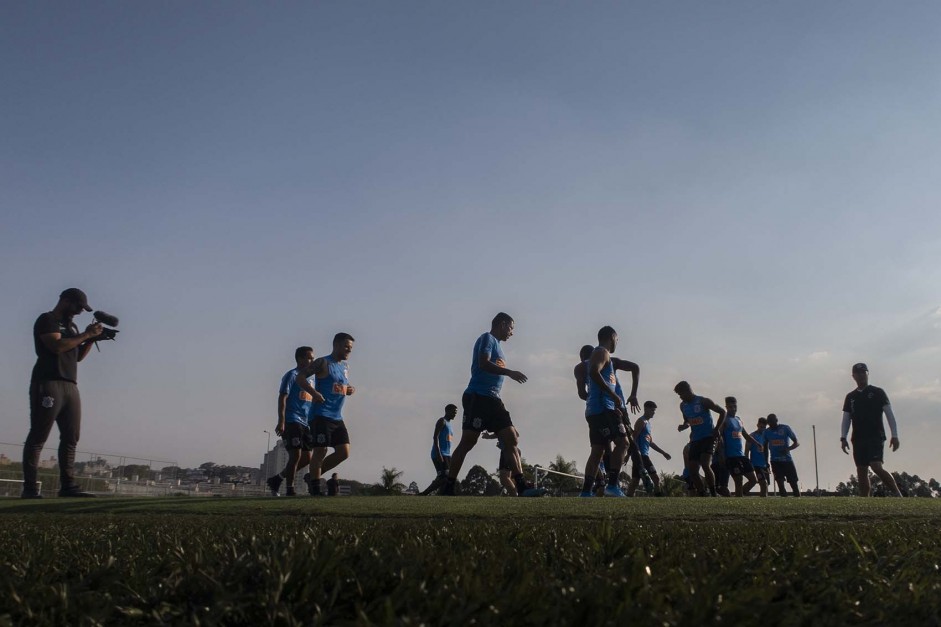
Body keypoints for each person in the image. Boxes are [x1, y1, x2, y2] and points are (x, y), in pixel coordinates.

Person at [22, 288, 103, 498]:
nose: (78, 312)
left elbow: (76, 357)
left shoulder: (72, 326)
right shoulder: (47, 320)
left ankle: (68, 486)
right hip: (48, 382)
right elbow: (56, 346)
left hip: (70, 384)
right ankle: (30, 489)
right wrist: (86, 334)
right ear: (66, 301)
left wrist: (92, 340)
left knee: (71, 437)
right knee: (38, 435)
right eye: (77, 307)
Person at [441, 313, 532, 496]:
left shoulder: (499, 347)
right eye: (511, 328)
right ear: (502, 324)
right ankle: (449, 485)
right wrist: (509, 372)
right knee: (468, 442)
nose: (512, 333)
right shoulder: (487, 338)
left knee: (511, 438)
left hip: (493, 399)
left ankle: (521, 485)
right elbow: (483, 364)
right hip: (478, 397)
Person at [580, 326, 640, 498]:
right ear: (612, 337)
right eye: (617, 339)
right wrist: (612, 394)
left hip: (593, 411)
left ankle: (585, 491)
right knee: (624, 443)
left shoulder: (603, 355)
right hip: (604, 408)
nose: (617, 343)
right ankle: (613, 485)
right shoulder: (602, 352)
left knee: (597, 450)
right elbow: (593, 372)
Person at [294, 333, 357, 496]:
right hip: (320, 414)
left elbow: (340, 385)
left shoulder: (344, 367)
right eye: (346, 347)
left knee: (344, 453)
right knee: (320, 451)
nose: (348, 351)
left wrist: (350, 389)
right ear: (336, 345)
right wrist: (313, 393)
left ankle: (311, 476)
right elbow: (300, 378)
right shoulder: (323, 362)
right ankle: (315, 488)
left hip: (337, 417)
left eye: (350, 348)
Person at [841, 363, 902, 497]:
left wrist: (895, 435)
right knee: (861, 470)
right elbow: (846, 418)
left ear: (868, 374)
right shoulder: (850, 397)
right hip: (858, 438)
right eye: (858, 373)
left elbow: (889, 414)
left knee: (876, 466)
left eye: (863, 372)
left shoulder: (878, 392)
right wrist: (843, 438)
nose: (861, 375)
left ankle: (898, 494)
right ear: (853, 376)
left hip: (875, 436)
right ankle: (865, 501)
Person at [266, 346, 321, 496]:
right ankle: (290, 489)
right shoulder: (291, 375)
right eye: (309, 358)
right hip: (292, 420)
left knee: (307, 458)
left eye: (313, 358)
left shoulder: (311, 380)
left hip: (306, 422)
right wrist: (281, 420)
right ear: (300, 359)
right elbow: (282, 397)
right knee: (295, 455)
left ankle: (277, 479)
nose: (311, 361)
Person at [674, 381, 726, 497]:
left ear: (687, 391)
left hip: (708, 437)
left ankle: (713, 493)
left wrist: (717, 428)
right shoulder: (683, 406)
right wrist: (684, 426)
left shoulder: (703, 401)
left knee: (705, 464)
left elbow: (722, 412)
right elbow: (687, 421)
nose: (680, 397)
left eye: (681, 394)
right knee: (692, 470)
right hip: (695, 440)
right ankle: (703, 493)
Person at [720, 397, 763, 497]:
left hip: (741, 455)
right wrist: (721, 454)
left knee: (753, 480)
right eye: (730, 407)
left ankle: (737, 497)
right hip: (731, 456)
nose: (733, 409)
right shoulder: (724, 420)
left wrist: (757, 443)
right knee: (738, 480)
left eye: (734, 406)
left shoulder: (738, 419)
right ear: (726, 407)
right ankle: (739, 498)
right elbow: (719, 437)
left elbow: (746, 435)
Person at [626, 401, 671, 496]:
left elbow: (650, 442)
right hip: (640, 455)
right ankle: (658, 497)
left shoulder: (648, 424)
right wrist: (628, 454)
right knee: (655, 478)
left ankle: (628, 498)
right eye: (652, 410)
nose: (653, 412)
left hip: (644, 455)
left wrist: (663, 453)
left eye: (654, 410)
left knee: (635, 480)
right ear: (646, 409)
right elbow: (633, 438)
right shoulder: (641, 421)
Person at [420, 404, 458, 495]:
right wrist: (438, 453)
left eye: (456, 412)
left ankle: (441, 493)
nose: (455, 414)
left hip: (447, 455)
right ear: (447, 411)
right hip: (440, 453)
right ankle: (425, 493)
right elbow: (435, 437)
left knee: (447, 477)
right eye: (454, 412)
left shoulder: (450, 424)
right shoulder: (442, 421)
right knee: (444, 477)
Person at [765, 414, 800, 496]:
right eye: (769, 422)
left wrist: (788, 449)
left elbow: (796, 442)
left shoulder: (785, 428)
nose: (771, 424)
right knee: (780, 483)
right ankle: (784, 501)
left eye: (772, 422)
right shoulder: (767, 432)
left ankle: (798, 499)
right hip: (775, 461)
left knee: (793, 483)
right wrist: (766, 461)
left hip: (787, 460)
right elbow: (765, 447)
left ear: (776, 420)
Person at [743, 417, 770, 497]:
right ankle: (740, 493)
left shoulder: (766, 437)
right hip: (755, 464)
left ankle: (742, 492)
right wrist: (747, 463)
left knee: (766, 484)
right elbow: (746, 451)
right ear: (757, 425)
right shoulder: (752, 436)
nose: (762, 429)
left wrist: (767, 463)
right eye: (761, 427)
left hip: (764, 464)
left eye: (764, 427)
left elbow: (766, 451)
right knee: (763, 483)